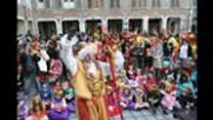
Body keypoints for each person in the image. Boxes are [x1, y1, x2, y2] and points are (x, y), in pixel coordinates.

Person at [60, 32, 109, 120]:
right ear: (83, 56)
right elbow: (65, 57)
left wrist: (113, 55)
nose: (90, 56)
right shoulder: (76, 65)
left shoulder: (99, 65)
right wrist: (67, 43)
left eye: (91, 53)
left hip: (100, 101)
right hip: (85, 104)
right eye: (87, 54)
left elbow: (116, 66)